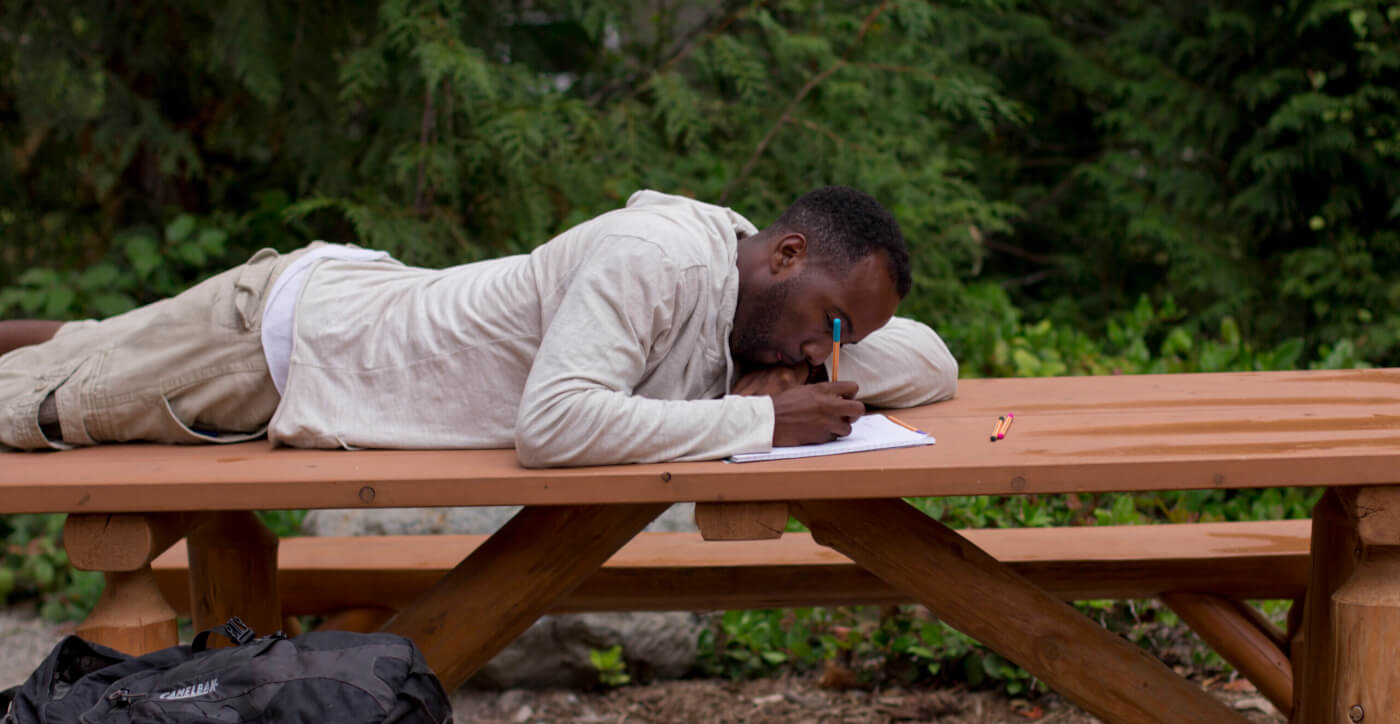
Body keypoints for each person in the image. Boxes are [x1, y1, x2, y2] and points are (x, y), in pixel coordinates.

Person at [0, 186, 957, 467]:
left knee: (82, 343)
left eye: (842, 341)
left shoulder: (765, 318)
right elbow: (554, 426)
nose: (823, 351)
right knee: (29, 407)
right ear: (785, 254)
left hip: (340, 308)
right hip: (269, 349)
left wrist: (802, 374)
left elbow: (932, 362)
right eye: (829, 326)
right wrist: (762, 420)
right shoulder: (657, 259)